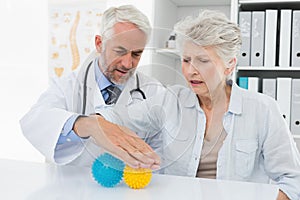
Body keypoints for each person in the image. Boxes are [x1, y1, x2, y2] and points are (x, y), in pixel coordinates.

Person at [95, 10, 300, 200]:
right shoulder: (170, 100)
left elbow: (294, 182)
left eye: (203, 60)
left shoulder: (262, 110)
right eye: (186, 60)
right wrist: (93, 123)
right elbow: (113, 118)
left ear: (230, 65)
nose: (191, 70)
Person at [20, 5, 162, 170]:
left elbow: (165, 151)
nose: (128, 63)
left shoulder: (152, 90)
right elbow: (34, 120)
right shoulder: (69, 85)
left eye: (136, 54)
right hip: (73, 190)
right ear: (99, 43)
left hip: (128, 192)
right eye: (120, 51)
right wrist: (88, 125)